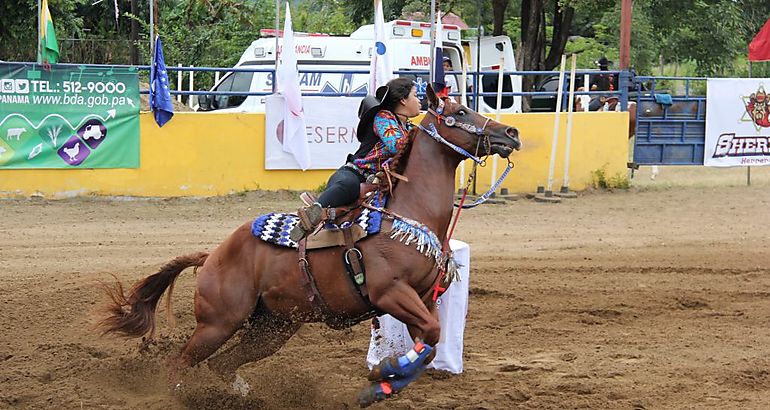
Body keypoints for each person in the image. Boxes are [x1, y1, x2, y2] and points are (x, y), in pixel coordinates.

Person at [289, 77, 422, 242]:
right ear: (403, 100)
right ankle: (313, 214)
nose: (420, 100)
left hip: (380, 183)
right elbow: (398, 145)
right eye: (416, 95)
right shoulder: (383, 117)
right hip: (355, 173)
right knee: (349, 186)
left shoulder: (410, 128)